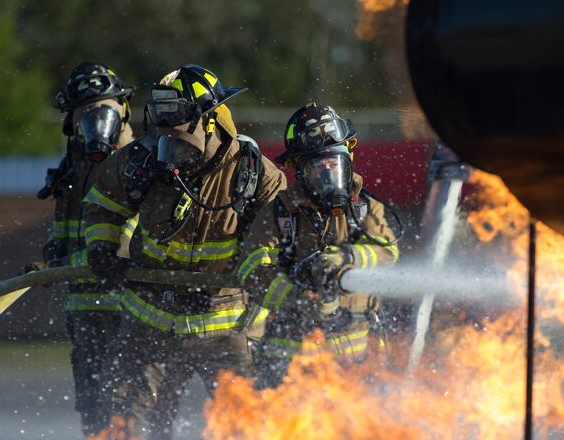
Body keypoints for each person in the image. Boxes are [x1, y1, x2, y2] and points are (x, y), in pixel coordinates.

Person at [82, 64, 286, 439]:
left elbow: (278, 236)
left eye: (178, 140)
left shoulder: (253, 174)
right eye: (163, 138)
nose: (168, 152)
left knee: (245, 426)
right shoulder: (140, 161)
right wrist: (102, 248)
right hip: (149, 322)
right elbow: (102, 206)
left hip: (224, 326)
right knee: (128, 424)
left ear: (209, 123)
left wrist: (262, 274)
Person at [236, 102, 400, 388]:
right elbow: (251, 266)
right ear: (299, 170)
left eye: (334, 163)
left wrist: (345, 258)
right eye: (318, 166)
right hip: (289, 358)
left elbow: (387, 252)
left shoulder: (363, 208)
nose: (328, 173)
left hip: (355, 355)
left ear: (347, 160)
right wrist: (296, 298)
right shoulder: (279, 213)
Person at [32, 61, 136, 437]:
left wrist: (69, 264)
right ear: (71, 120)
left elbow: (125, 245)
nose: (96, 119)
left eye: (104, 108)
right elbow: (65, 229)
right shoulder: (72, 166)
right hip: (83, 307)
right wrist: (50, 260)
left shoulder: (141, 162)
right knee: (92, 403)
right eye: (86, 112)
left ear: (123, 109)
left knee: (128, 402)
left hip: (129, 306)